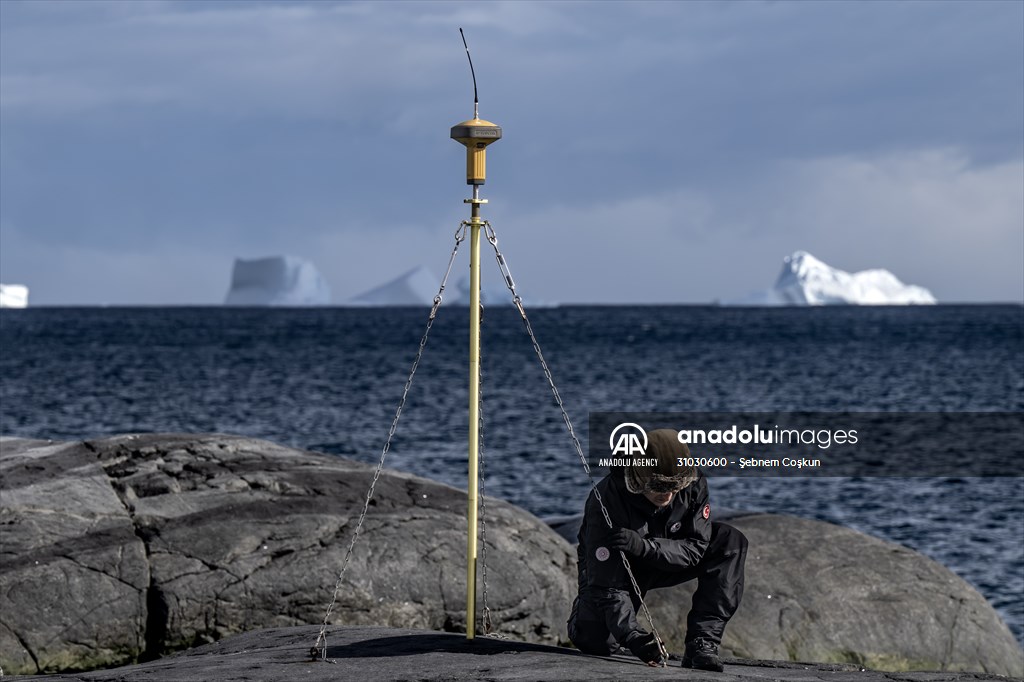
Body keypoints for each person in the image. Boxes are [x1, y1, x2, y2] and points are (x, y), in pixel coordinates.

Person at [567, 429, 748, 671]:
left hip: (664, 555)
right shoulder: (606, 500)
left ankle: (703, 643)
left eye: (675, 485)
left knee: (730, 541)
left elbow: (696, 547)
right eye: (659, 485)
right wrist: (633, 636)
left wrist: (645, 546)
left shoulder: (692, 480)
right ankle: (583, 613)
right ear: (639, 477)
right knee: (596, 642)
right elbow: (606, 584)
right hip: (618, 573)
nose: (668, 494)